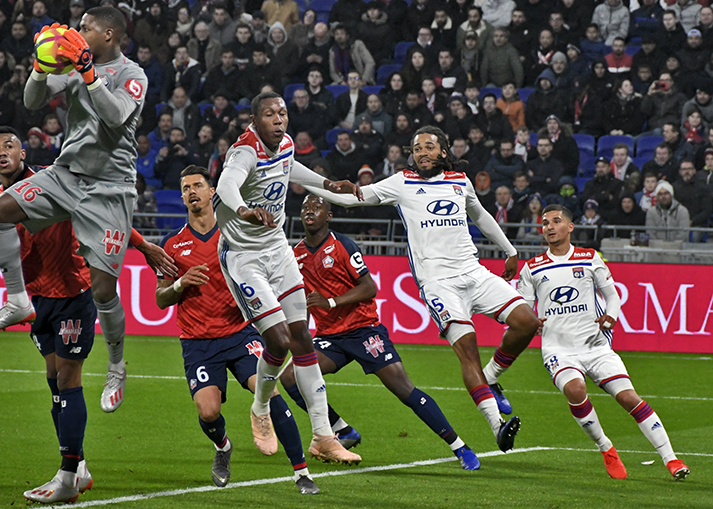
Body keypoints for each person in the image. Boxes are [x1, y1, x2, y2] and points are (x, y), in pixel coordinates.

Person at [303, 125, 542, 452]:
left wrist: (509, 249)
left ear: (443, 152)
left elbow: (481, 214)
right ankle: (497, 426)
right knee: (467, 351)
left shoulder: (460, 182)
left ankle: (493, 375)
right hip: (438, 284)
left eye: (429, 147)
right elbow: (354, 199)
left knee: (528, 321)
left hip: (473, 271)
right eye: (417, 149)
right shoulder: (402, 182)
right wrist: (305, 179)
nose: (422, 153)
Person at [0, 9, 169, 416]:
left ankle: (117, 363)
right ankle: (17, 299)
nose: (78, 32)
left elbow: (117, 117)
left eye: (85, 28)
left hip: (110, 190)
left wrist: (87, 72)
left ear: (109, 33)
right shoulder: (71, 63)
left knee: (102, 290)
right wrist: (40, 65)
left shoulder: (132, 73)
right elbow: (31, 102)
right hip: (66, 175)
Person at [0, 126, 171, 503]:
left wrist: (142, 245)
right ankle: (78, 465)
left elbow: (100, 211)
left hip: (73, 291)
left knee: (68, 379)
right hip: (39, 300)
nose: (2, 151)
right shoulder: (0, 200)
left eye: (9, 145)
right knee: (54, 381)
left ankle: (68, 476)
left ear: (23, 153)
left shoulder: (49, 181)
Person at [280, 194, 481, 471]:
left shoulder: (343, 246)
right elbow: (299, 297)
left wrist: (330, 302)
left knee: (403, 389)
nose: (310, 210)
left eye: (318, 206)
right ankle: (341, 429)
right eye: (305, 207)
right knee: (291, 376)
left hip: (364, 330)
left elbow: (369, 287)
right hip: (330, 337)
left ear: (329, 216)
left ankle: (460, 447)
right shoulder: (297, 254)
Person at [214, 91, 363, 464]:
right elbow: (226, 186)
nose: (279, 118)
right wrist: (245, 209)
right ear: (255, 119)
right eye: (269, 114)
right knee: (278, 339)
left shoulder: (285, 144)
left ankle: (323, 437)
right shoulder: (244, 150)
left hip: (277, 249)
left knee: (301, 337)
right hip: (244, 256)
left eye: (282, 112)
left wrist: (328, 185)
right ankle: (261, 407)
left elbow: (291, 168)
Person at [154, 165, 320, 494]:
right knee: (208, 410)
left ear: (212, 191)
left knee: (269, 390)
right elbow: (160, 298)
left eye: (197, 185)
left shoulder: (235, 234)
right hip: (198, 342)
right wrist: (179, 285)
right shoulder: (172, 244)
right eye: (185, 188)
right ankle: (223, 448)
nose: (191, 192)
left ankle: (301, 473)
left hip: (240, 333)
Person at [519, 204, 690, 481]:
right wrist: (530, 322)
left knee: (628, 397)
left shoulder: (589, 258)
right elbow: (525, 309)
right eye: (545, 223)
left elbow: (612, 295)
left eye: (556, 221)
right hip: (558, 349)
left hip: (595, 345)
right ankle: (606, 448)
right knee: (575, 390)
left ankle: (671, 459)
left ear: (570, 227)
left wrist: (611, 316)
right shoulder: (532, 268)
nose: (549, 227)